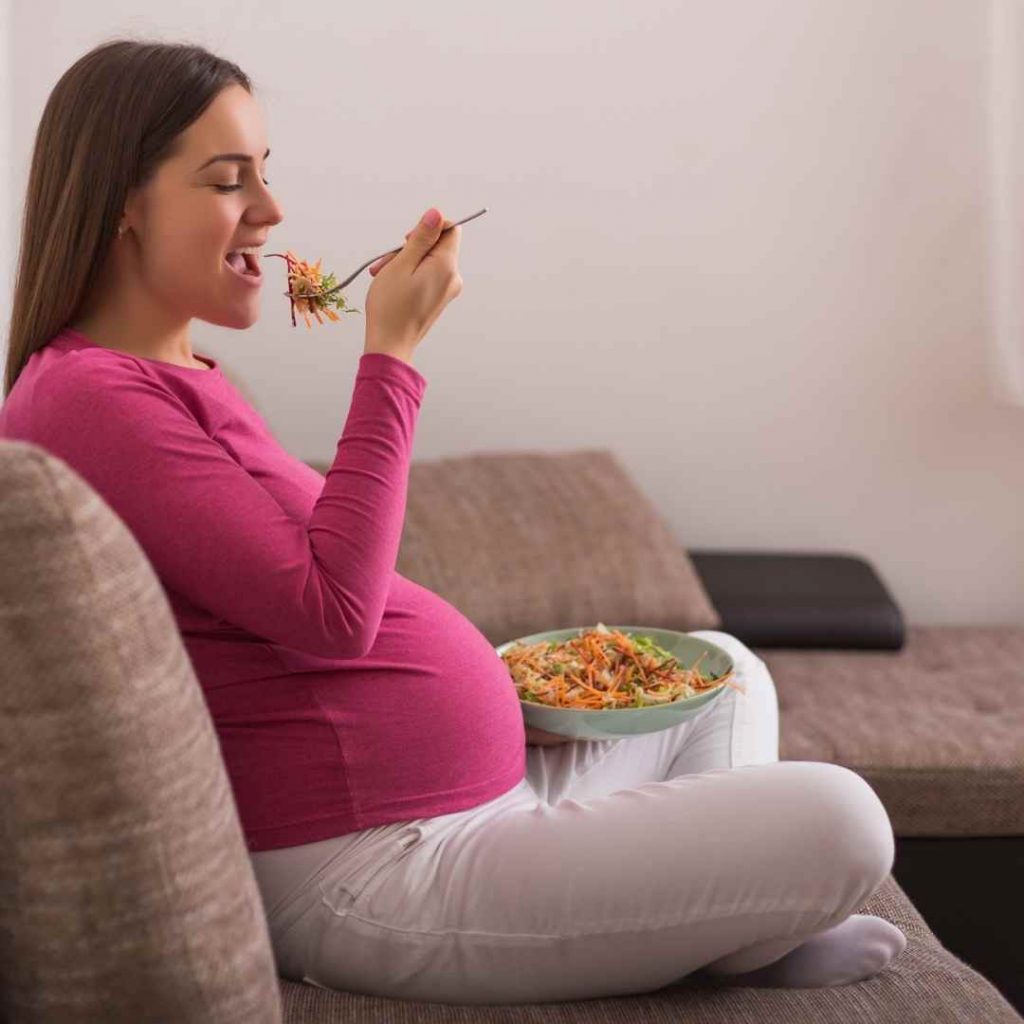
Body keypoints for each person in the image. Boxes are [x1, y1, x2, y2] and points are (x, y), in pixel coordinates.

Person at [0, 39, 906, 1007]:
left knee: (725, 674)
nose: (271, 212)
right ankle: (727, 929)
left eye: (268, 175)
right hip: (374, 865)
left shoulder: (176, 379)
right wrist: (390, 354)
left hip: (475, 800)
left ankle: (721, 926)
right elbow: (332, 609)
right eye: (230, 182)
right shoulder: (89, 401)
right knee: (846, 821)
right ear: (124, 204)